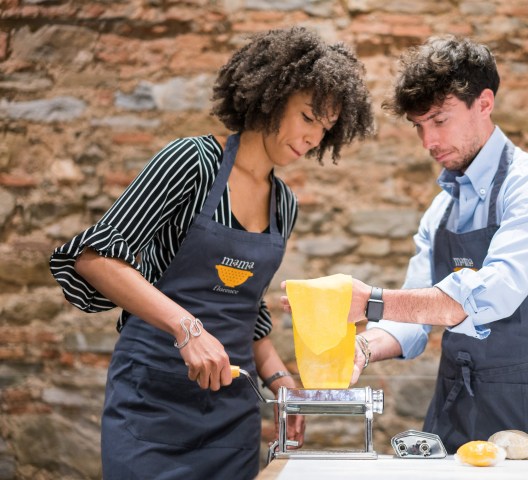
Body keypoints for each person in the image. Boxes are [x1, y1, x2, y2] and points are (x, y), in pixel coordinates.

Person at [49, 26, 374, 479]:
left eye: (325, 127)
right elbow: (96, 258)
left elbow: (246, 307)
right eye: (307, 117)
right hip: (151, 405)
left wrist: (280, 382)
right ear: (271, 95)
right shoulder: (192, 163)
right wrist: (187, 328)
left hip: (230, 419)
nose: (314, 137)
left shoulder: (284, 204)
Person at [283, 34, 528, 455]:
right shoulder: (442, 209)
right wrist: (360, 348)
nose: (429, 143)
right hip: (455, 407)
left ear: (484, 103)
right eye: (419, 127)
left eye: (440, 121)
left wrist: (371, 301)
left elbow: (488, 296)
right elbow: (413, 317)